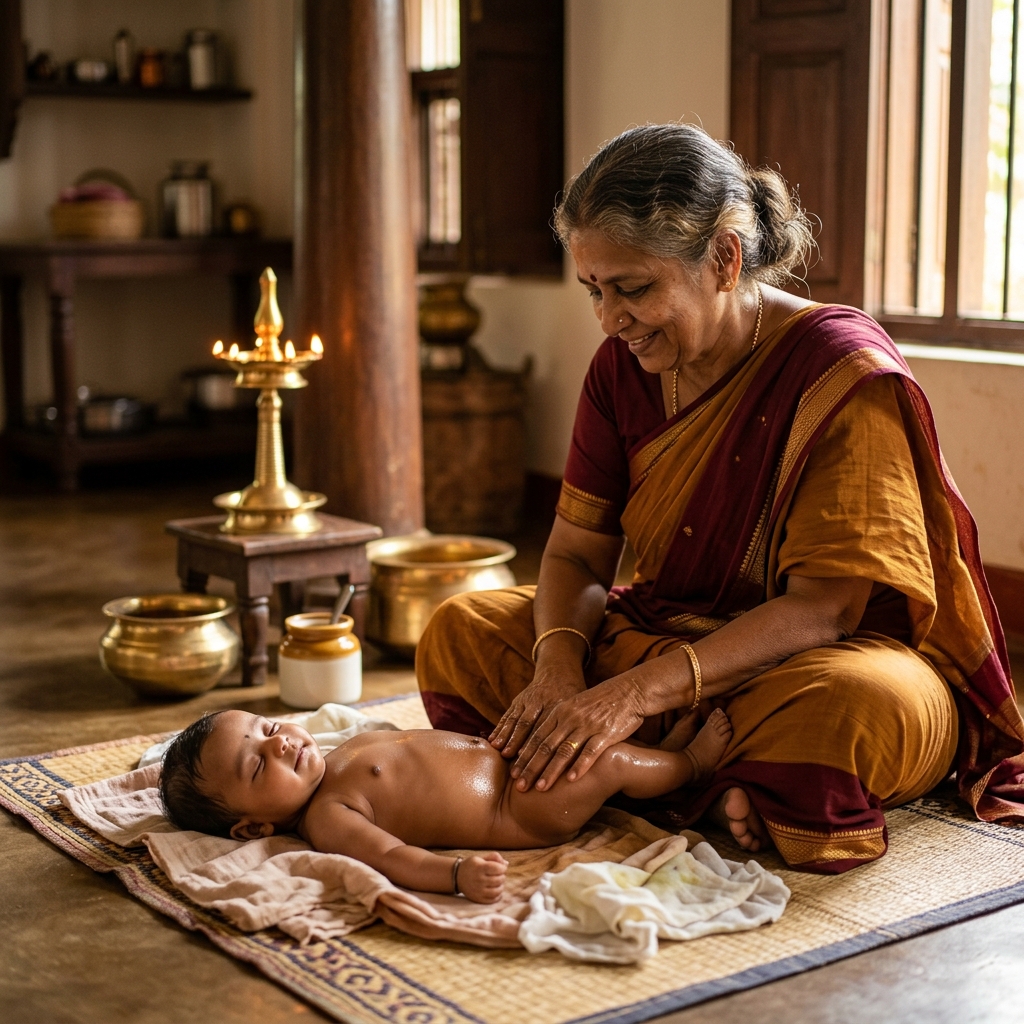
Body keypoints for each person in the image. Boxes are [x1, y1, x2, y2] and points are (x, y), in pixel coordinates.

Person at [416, 122, 1024, 873]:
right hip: (665, 633)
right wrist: (560, 676)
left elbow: (824, 610)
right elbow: (576, 553)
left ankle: (631, 770)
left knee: (855, 710)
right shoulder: (621, 370)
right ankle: (696, 777)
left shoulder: (839, 372)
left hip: (808, 661)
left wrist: (631, 698)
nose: (610, 320)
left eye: (633, 289)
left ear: (725, 258)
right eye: (594, 292)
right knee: (461, 628)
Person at [158, 706, 733, 904]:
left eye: (266, 728)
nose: (279, 742)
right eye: (259, 765)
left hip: (511, 765)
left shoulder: (333, 756)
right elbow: (395, 858)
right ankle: (691, 767)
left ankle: (664, 755)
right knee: (608, 763)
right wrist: (456, 874)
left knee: (586, 734)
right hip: (522, 809)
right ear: (251, 826)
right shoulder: (329, 817)